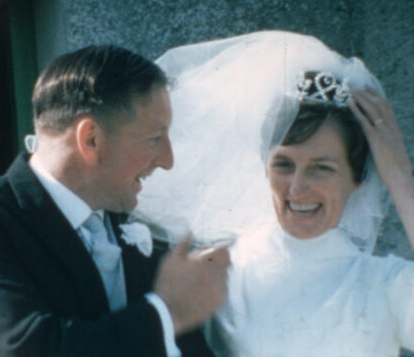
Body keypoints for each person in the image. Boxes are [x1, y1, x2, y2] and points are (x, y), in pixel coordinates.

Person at [131, 31, 414, 356]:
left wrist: (401, 179)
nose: (297, 188)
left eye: (321, 168)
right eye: (283, 164)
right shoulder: (220, 272)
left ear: (357, 178)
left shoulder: (386, 284)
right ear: (263, 168)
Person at [0, 45, 230, 357]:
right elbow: (29, 348)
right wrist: (169, 311)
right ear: (90, 139)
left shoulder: (146, 229)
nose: (168, 161)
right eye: (155, 139)